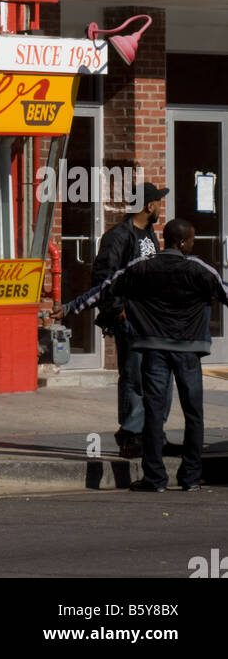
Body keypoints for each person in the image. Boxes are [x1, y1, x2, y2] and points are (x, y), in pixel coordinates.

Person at [54, 218, 228, 492]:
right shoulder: (199, 269)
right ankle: (190, 477)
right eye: (192, 240)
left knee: (154, 412)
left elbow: (103, 290)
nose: (193, 245)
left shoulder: (141, 267)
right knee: (194, 413)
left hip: (154, 349)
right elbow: (226, 292)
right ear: (182, 243)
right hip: (188, 352)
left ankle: (155, 478)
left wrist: (69, 308)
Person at [91, 180, 168, 458]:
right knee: (133, 376)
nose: (160, 206)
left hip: (152, 320)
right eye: (158, 201)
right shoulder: (118, 237)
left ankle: (154, 433)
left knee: (157, 377)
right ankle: (131, 435)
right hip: (131, 319)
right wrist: (117, 309)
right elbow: (103, 277)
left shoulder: (148, 234)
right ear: (149, 205)